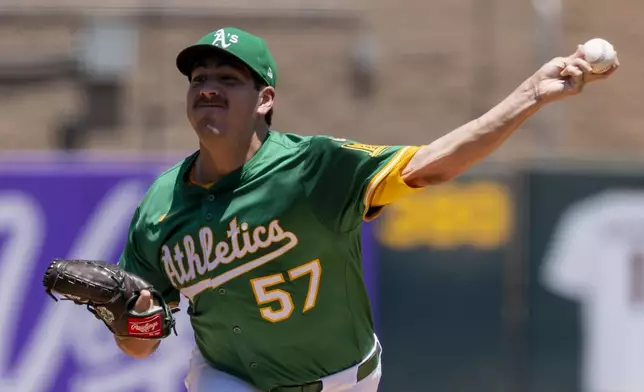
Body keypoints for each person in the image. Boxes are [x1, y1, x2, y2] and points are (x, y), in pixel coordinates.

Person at [115, 26, 619, 392]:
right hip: (227, 378)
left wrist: (530, 95)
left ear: (265, 98)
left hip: (341, 381)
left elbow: (432, 165)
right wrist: (128, 318)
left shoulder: (314, 167)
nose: (208, 86)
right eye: (198, 77)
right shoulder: (160, 206)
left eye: (227, 78)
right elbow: (141, 343)